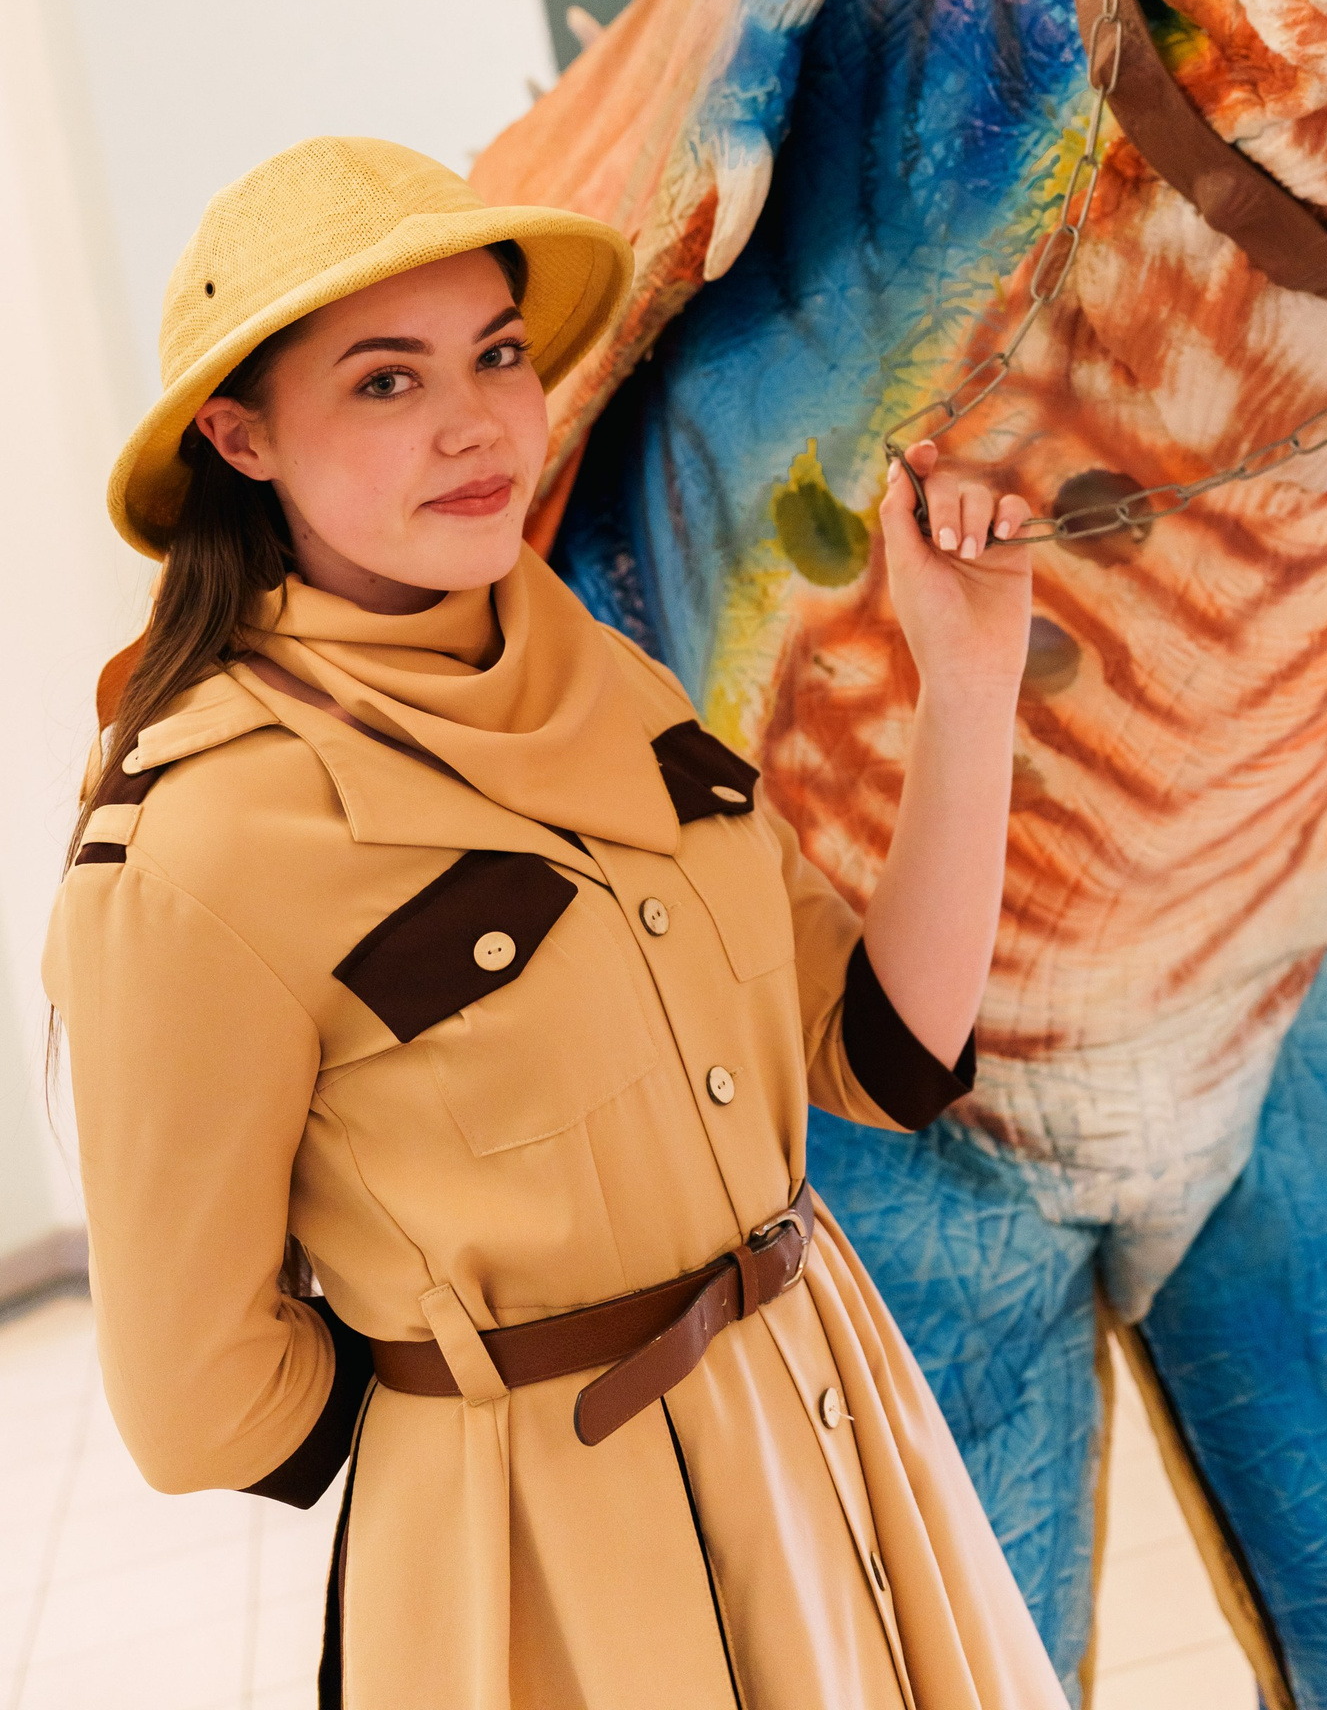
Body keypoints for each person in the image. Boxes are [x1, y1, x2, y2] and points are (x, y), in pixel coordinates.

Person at [45, 135, 1067, 1710]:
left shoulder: (607, 678)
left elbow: (881, 1049)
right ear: (241, 438)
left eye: (499, 355)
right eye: (386, 382)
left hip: (837, 1430)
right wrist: (487, 1402)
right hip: (561, 1567)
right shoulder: (195, 842)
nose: (475, 423)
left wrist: (971, 684)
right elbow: (198, 1403)